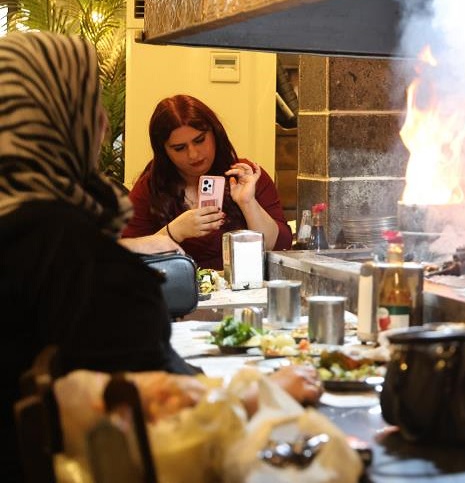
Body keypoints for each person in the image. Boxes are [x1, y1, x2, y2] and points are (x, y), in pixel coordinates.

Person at [0, 33, 318, 481]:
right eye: (92, 106)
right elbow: (159, 400)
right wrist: (264, 393)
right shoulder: (68, 248)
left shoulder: (28, 229)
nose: (105, 125)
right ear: (61, 119)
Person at [122, 95, 292, 269]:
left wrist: (248, 203)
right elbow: (122, 259)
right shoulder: (150, 188)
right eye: (179, 148)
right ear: (164, 151)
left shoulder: (244, 175)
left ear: (215, 133)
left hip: (245, 289)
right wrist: (174, 232)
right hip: (181, 290)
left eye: (200, 140)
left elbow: (280, 247)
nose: (193, 154)